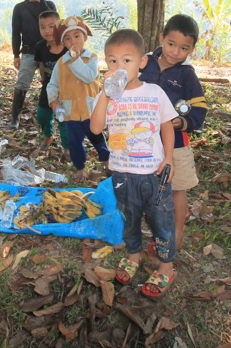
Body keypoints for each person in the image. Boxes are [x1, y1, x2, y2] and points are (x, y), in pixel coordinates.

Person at [90, 29, 178, 298]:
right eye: (112, 61)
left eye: (126, 60)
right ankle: (134, 255)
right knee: (129, 218)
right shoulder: (105, 96)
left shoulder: (154, 92)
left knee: (161, 220)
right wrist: (105, 94)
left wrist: (169, 157)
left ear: (142, 62)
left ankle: (166, 265)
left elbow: (166, 126)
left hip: (154, 173)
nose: (119, 67)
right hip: (122, 174)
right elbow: (95, 129)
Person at [140, 15, 207, 251]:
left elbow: (199, 111)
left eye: (184, 48)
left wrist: (180, 122)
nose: (175, 52)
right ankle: (152, 233)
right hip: (144, 143)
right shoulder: (143, 63)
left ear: (192, 49)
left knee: (177, 189)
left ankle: (177, 233)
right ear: (161, 38)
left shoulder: (187, 75)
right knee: (147, 189)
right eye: (171, 44)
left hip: (176, 145)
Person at [47, 16, 110, 182]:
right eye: (67, 38)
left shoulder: (92, 58)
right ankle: (80, 167)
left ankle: (107, 161)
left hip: (91, 111)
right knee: (74, 142)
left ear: (85, 38)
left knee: (98, 138)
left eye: (77, 36)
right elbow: (52, 84)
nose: (73, 41)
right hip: (70, 112)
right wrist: (53, 100)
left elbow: (89, 77)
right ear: (63, 43)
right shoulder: (61, 63)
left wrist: (76, 60)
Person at [10, 0, 57, 128]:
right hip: (29, 51)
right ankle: (15, 118)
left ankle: (53, 113)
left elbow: (55, 22)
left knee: (51, 82)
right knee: (22, 84)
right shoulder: (20, 8)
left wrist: (41, 1)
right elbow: (16, 32)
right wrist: (16, 54)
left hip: (48, 50)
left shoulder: (48, 4)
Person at [33, 10, 69, 158]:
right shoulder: (40, 47)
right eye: (43, 27)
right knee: (42, 115)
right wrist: (43, 81)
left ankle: (67, 147)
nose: (47, 30)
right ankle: (48, 136)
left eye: (51, 26)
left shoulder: (68, 48)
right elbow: (42, 65)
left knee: (62, 119)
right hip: (48, 89)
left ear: (59, 26)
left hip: (65, 91)